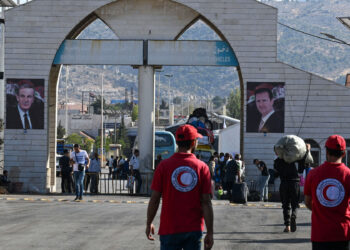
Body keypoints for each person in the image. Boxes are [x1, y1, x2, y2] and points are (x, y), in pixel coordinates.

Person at [146, 124, 214, 250]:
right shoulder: (202, 167)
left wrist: (149, 223)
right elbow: (206, 202)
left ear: (177, 142)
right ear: (194, 143)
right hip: (193, 230)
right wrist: (210, 232)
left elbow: (154, 199)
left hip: (169, 229)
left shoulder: (163, 166)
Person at [304, 135, 350, 250]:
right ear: (343, 154)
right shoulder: (348, 175)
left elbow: (307, 201)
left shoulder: (313, 174)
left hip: (320, 234)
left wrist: (321, 209)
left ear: (326, 152)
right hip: (342, 233)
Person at [273, 144, 310, 233]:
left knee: (285, 205)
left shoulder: (278, 161)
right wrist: (307, 151)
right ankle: (294, 215)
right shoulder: (297, 159)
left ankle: (287, 226)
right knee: (295, 204)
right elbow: (305, 166)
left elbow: (276, 174)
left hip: (284, 184)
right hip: (295, 184)